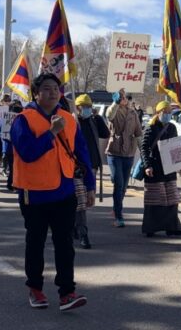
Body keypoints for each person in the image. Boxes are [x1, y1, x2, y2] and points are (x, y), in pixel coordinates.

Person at [11, 72, 95, 311]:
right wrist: (51, 133)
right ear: (36, 94)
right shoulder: (23, 120)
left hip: (64, 191)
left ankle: (67, 292)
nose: (52, 92)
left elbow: (82, 154)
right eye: (46, 88)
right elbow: (27, 152)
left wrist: (89, 185)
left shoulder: (69, 118)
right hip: (34, 193)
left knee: (65, 243)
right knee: (35, 243)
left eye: (56, 89)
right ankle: (35, 289)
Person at [140, 100, 181, 238]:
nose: (167, 115)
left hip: (169, 168)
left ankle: (172, 227)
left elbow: (175, 147)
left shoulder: (172, 127)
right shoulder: (150, 128)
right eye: (164, 112)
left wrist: (179, 166)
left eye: (169, 112)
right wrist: (147, 166)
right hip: (155, 168)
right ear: (158, 113)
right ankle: (150, 227)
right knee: (155, 199)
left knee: (171, 199)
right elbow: (144, 148)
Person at [73, 94, 109, 248]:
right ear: (77, 107)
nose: (87, 110)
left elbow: (105, 134)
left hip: (91, 166)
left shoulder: (94, 121)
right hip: (76, 168)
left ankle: (75, 227)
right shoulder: (73, 122)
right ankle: (83, 233)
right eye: (84, 107)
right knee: (80, 201)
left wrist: (99, 118)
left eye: (89, 107)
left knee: (86, 201)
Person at [105, 89, 142, 227]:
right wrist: (115, 103)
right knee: (118, 183)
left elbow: (138, 133)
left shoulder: (133, 113)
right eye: (121, 97)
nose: (124, 99)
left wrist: (143, 154)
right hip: (115, 152)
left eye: (125, 97)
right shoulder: (114, 109)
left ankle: (116, 208)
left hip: (129, 153)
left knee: (124, 186)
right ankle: (119, 216)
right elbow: (109, 115)